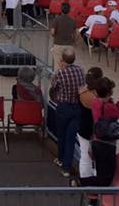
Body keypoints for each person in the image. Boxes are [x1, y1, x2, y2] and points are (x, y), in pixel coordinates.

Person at [89, 77, 119, 187]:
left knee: (100, 171)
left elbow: (112, 112)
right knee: (107, 176)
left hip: (96, 141)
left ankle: (92, 195)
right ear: (109, 93)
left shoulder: (96, 103)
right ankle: (94, 196)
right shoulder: (109, 107)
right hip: (107, 145)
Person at [49, 47, 85, 177]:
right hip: (78, 107)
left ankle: (60, 159)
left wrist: (59, 69)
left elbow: (53, 85)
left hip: (64, 107)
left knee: (62, 135)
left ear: (62, 60)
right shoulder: (80, 70)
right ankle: (66, 167)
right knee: (71, 138)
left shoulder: (60, 73)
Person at [75, 66, 103, 186]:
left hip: (83, 127)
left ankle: (85, 181)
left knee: (85, 156)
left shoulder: (82, 92)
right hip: (95, 130)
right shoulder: (97, 98)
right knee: (97, 158)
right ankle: (96, 182)